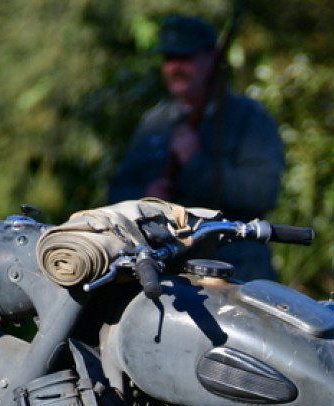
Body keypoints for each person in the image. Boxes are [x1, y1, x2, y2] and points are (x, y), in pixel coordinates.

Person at [109, 15, 284, 280]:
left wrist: (195, 163)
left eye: (185, 57)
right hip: (165, 269)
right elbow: (117, 191)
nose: (175, 67)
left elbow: (262, 194)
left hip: (235, 270)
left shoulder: (248, 118)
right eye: (169, 58)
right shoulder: (155, 122)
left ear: (212, 60)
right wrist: (143, 197)